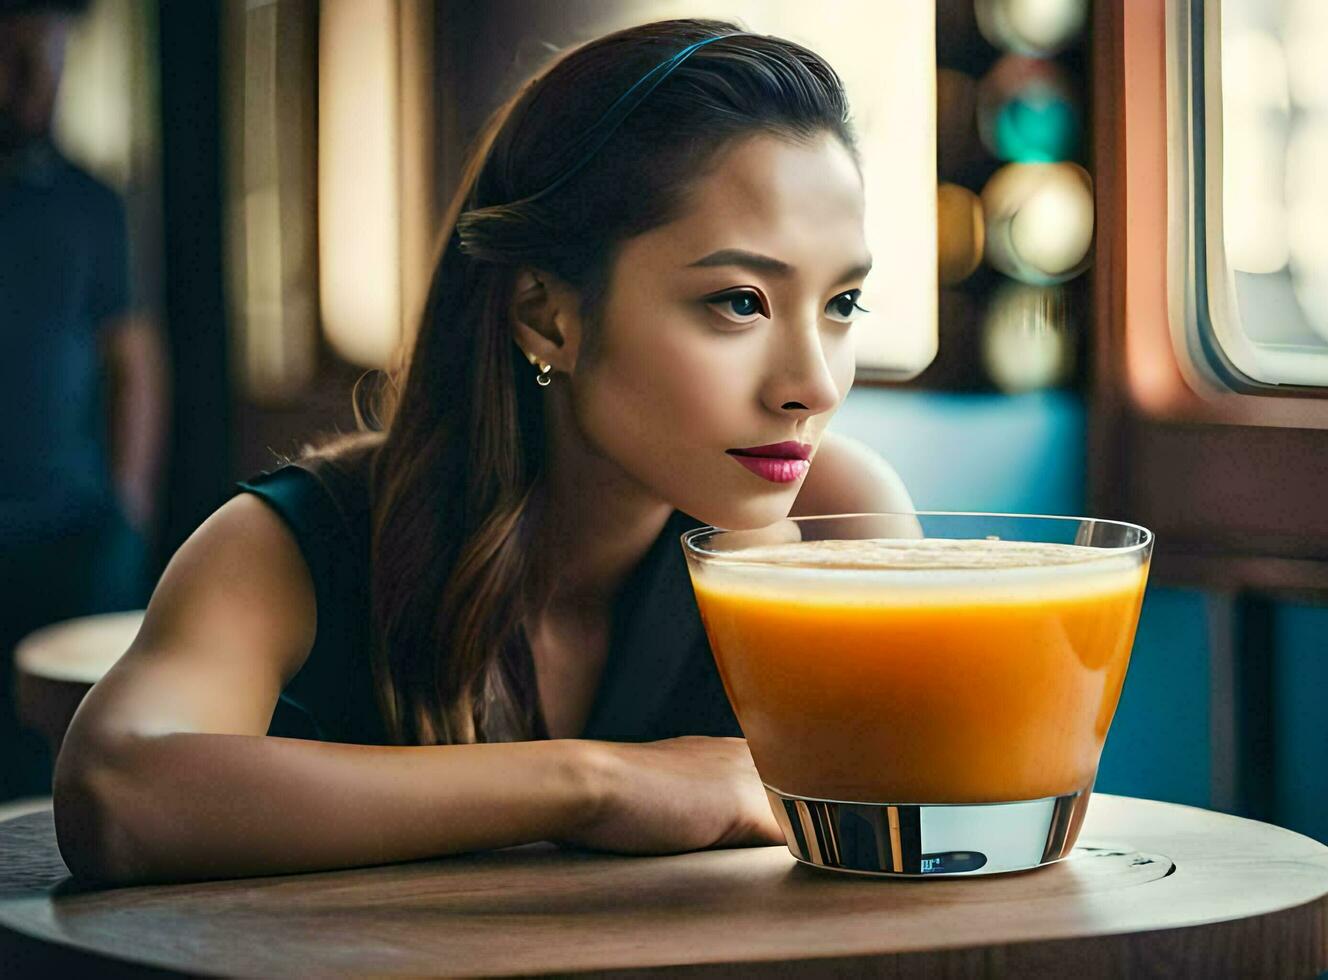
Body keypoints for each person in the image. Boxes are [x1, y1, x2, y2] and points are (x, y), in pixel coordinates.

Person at [54, 17, 914, 885]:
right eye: (739, 302)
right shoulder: (300, 542)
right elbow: (114, 795)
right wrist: (594, 785)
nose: (815, 384)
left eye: (843, 303)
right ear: (547, 316)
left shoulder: (838, 519)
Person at [0, 0, 170, 801]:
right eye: (15, 60)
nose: (32, 85)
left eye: (48, 62)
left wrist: (128, 505)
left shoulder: (91, 204)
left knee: (73, 760)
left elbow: (133, 359)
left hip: (70, 523)